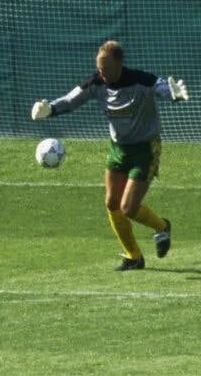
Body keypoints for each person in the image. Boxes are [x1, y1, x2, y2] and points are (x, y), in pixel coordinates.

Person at [30, 40, 188, 270]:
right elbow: (70, 100)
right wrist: (50, 109)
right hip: (117, 149)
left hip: (145, 150)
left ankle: (162, 227)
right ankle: (133, 256)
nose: (101, 73)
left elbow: (162, 87)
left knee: (128, 208)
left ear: (119, 64)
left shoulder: (140, 80)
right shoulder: (96, 83)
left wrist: (174, 95)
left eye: (105, 68)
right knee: (111, 202)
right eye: (99, 68)